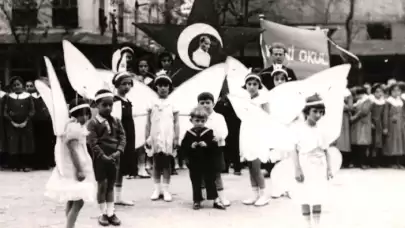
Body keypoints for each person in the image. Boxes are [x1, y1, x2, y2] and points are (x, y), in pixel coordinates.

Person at [44, 98, 96, 228]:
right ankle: (69, 226)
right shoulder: (73, 128)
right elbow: (73, 151)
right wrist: (79, 169)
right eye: (79, 115)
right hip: (75, 166)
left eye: (86, 114)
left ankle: (69, 224)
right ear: (73, 115)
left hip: (76, 164)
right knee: (79, 201)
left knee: (73, 198)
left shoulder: (75, 126)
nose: (84, 117)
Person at [293, 94, 334, 228]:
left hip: (319, 165)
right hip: (305, 163)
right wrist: (297, 168)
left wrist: (329, 168)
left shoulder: (321, 130)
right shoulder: (299, 129)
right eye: (314, 111)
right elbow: (294, 150)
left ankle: (317, 224)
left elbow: (326, 151)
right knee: (305, 193)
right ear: (307, 112)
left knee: (318, 193)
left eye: (320, 112)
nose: (318, 115)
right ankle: (307, 224)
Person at [87, 89, 126, 226]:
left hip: (115, 158)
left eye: (111, 105)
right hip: (101, 159)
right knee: (102, 185)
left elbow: (122, 137)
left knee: (111, 185)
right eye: (105, 105)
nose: (108, 108)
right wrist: (103, 156)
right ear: (97, 105)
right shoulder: (93, 123)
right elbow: (93, 143)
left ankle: (111, 212)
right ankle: (102, 213)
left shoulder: (116, 121)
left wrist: (119, 151)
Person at [181, 106, 226, 210]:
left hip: (208, 161)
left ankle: (216, 200)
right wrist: (190, 146)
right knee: (196, 181)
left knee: (211, 180)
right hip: (194, 162)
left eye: (202, 121)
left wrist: (207, 144)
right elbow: (183, 146)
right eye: (197, 120)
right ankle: (197, 200)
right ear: (191, 120)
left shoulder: (209, 132)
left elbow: (215, 146)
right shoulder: (188, 133)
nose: (200, 123)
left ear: (206, 120)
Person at [145, 73, 180, 202]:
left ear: (169, 87)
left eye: (166, 85)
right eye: (160, 85)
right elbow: (148, 122)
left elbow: (176, 122)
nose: (163, 88)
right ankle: (156, 189)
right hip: (154, 134)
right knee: (156, 162)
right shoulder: (151, 102)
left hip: (168, 135)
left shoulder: (173, 102)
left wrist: (176, 138)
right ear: (156, 87)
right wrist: (147, 137)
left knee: (166, 162)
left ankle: (166, 189)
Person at [239, 73, 270, 207]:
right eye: (249, 84)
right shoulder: (243, 100)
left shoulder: (263, 100)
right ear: (245, 86)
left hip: (258, 135)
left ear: (259, 85)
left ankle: (263, 195)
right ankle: (255, 194)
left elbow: (268, 118)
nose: (252, 87)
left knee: (256, 167)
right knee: (250, 166)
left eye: (255, 84)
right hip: (247, 133)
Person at [198, 92, 230, 207]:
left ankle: (222, 197)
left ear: (213, 103)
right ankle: (201, 197)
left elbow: (225, 131)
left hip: (215, 149)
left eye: (208, 102)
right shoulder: (198, 118)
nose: (205, 105)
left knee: (216, 174)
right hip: (201, 150)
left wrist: (219, 137)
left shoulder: (218, 117)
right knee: (201, 173)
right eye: (202, 103)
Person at [110, 72, 136, 206]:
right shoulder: (115, 101)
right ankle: (112, 196)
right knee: (117, 165)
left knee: (122, 165)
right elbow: (115, 121)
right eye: (123, 84)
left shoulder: (127, 101)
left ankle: (118, 196)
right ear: (116, 85)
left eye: (129, 84)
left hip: (128, 134)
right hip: (120, 136)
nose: (127, 87)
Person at [3, 76, 35, 172]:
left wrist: (25, 121)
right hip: (12, 125)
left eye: (18, 84)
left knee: (25, 144)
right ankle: (15, 165)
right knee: (14, 144)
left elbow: (32, 110)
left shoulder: (28, 97)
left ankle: (25, 165)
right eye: (14, 85)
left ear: (22, 85)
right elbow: (5, 111)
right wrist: (12, 122)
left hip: (26, 124)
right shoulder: (9, 97)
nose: (17, 87)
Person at [26, 80, 55, 170]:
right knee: (35, 143)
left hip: (46, 122)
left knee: (46, 143)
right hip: (34, 122)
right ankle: (36, 164)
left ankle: (45, 163)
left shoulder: (48, 96)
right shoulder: (31, 97)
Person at [383, 83, 405, 169]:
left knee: (400, 142)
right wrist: (385, 127)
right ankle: (391, 162)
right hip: (391, 124)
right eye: (394, 90)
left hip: (401, 124)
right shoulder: (388, 101)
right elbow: (385, 114)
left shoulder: (402, 101)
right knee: (391, 142)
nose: (396, 92)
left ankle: (399, 162)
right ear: (391, 91)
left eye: (398, 90)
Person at [350, 86, 372, 169]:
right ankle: (357, 162)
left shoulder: (367, 100)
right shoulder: (359, 101)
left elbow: (364, 111)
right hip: (357, 125)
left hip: (363, 125)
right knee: (357, 144)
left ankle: (363, 163)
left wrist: (354, 117)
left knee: (363, 144)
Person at [336, 88, 353, 168]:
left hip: (344, 118)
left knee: (344, 140)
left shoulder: (347, 93)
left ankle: (345, 162)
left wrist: (341, 105)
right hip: (334, 118)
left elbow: (350, 107)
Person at [369, 83, 385, 167]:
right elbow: (369, 112)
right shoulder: (372, 101)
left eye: (380, 92)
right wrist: (371, 122)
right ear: (373, 93)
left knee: (378, 143)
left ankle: (376, 161)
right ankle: (371, 162)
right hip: (373, 123)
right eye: (377, 92)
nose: (379, 93)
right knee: (372, 143)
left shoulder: (383, 102)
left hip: (379, 124)